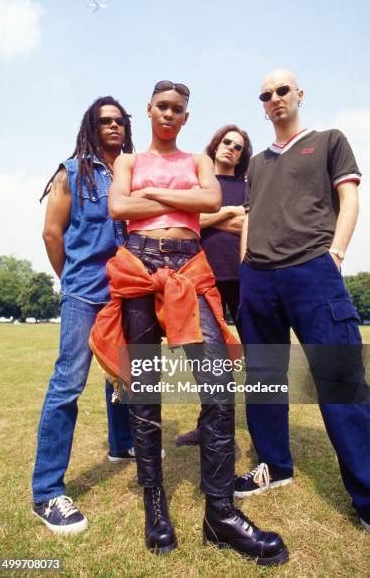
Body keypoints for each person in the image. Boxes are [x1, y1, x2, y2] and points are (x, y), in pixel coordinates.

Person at [90, 80, 288, 565]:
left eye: (178, 109)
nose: (169, 114)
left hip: (189, 267)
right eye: (162, 106)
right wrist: (176, 199)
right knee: (144, 390)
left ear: (185, 117)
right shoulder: (127, 161)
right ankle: (155, 505)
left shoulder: (197, 161)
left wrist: (154, 195)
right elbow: (119, 207)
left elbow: (208, 200)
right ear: (150, 109)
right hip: (138, 264)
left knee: (218, 387)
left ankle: (219, 513)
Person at [236, 69, 370, 533]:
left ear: (299, 94)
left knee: (340, 381)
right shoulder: (255, 163)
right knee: (264, 378)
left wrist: (335, 254)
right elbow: (249, 217)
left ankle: (367, 496)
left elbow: (349, 199)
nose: (274, 99)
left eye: (282, 91)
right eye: (265, 94)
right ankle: (275, 465)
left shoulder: (329, 140)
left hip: (313, 270)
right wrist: (245, 269)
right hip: (259, 278)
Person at [32, 96, 135, 534]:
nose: (113, 126)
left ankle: (122, 445)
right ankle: (47, 492)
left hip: (126, 291)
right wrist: (71, 280)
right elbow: (51, 232)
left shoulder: (133, 174)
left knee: (126, 375)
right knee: (68, 384)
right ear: (91, 127)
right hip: (84, 294)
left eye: (119, 121)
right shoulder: (71, 173)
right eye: (104, 121)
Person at [176, 124, 251, 447]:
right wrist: (230, 213)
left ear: (242, 155)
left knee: (256, 355)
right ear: (215, 144)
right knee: (207, 360)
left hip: (244, 279)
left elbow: (253, 224)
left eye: (237, 146)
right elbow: (189, 222)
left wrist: (217, 216)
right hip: (202, 279)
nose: (231, 148)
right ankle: (209, 427)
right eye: (226, 142)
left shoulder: (249, 187)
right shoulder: (199, 184)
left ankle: (262, 431)